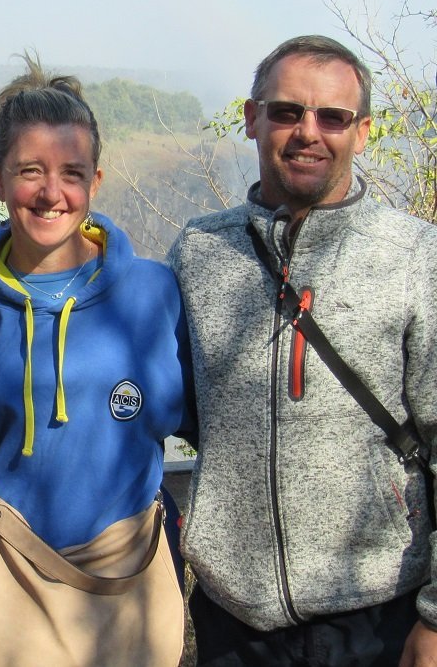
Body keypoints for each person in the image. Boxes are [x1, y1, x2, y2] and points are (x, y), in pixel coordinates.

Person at [169, 35, 437, 666]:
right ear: (252, 117)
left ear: (363, 131)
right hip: (233, 623)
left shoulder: (414, 257)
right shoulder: (199, 253)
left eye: (333, 117)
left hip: (377, 616)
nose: (307, 132)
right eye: (286, 111)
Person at [0, 54, 193, 664]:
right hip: (13, 577)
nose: (52, 193)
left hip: (131, 579)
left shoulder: (153, 294)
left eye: (71, 172)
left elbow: (216, 422)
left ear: (96, 182)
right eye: (30, 171)